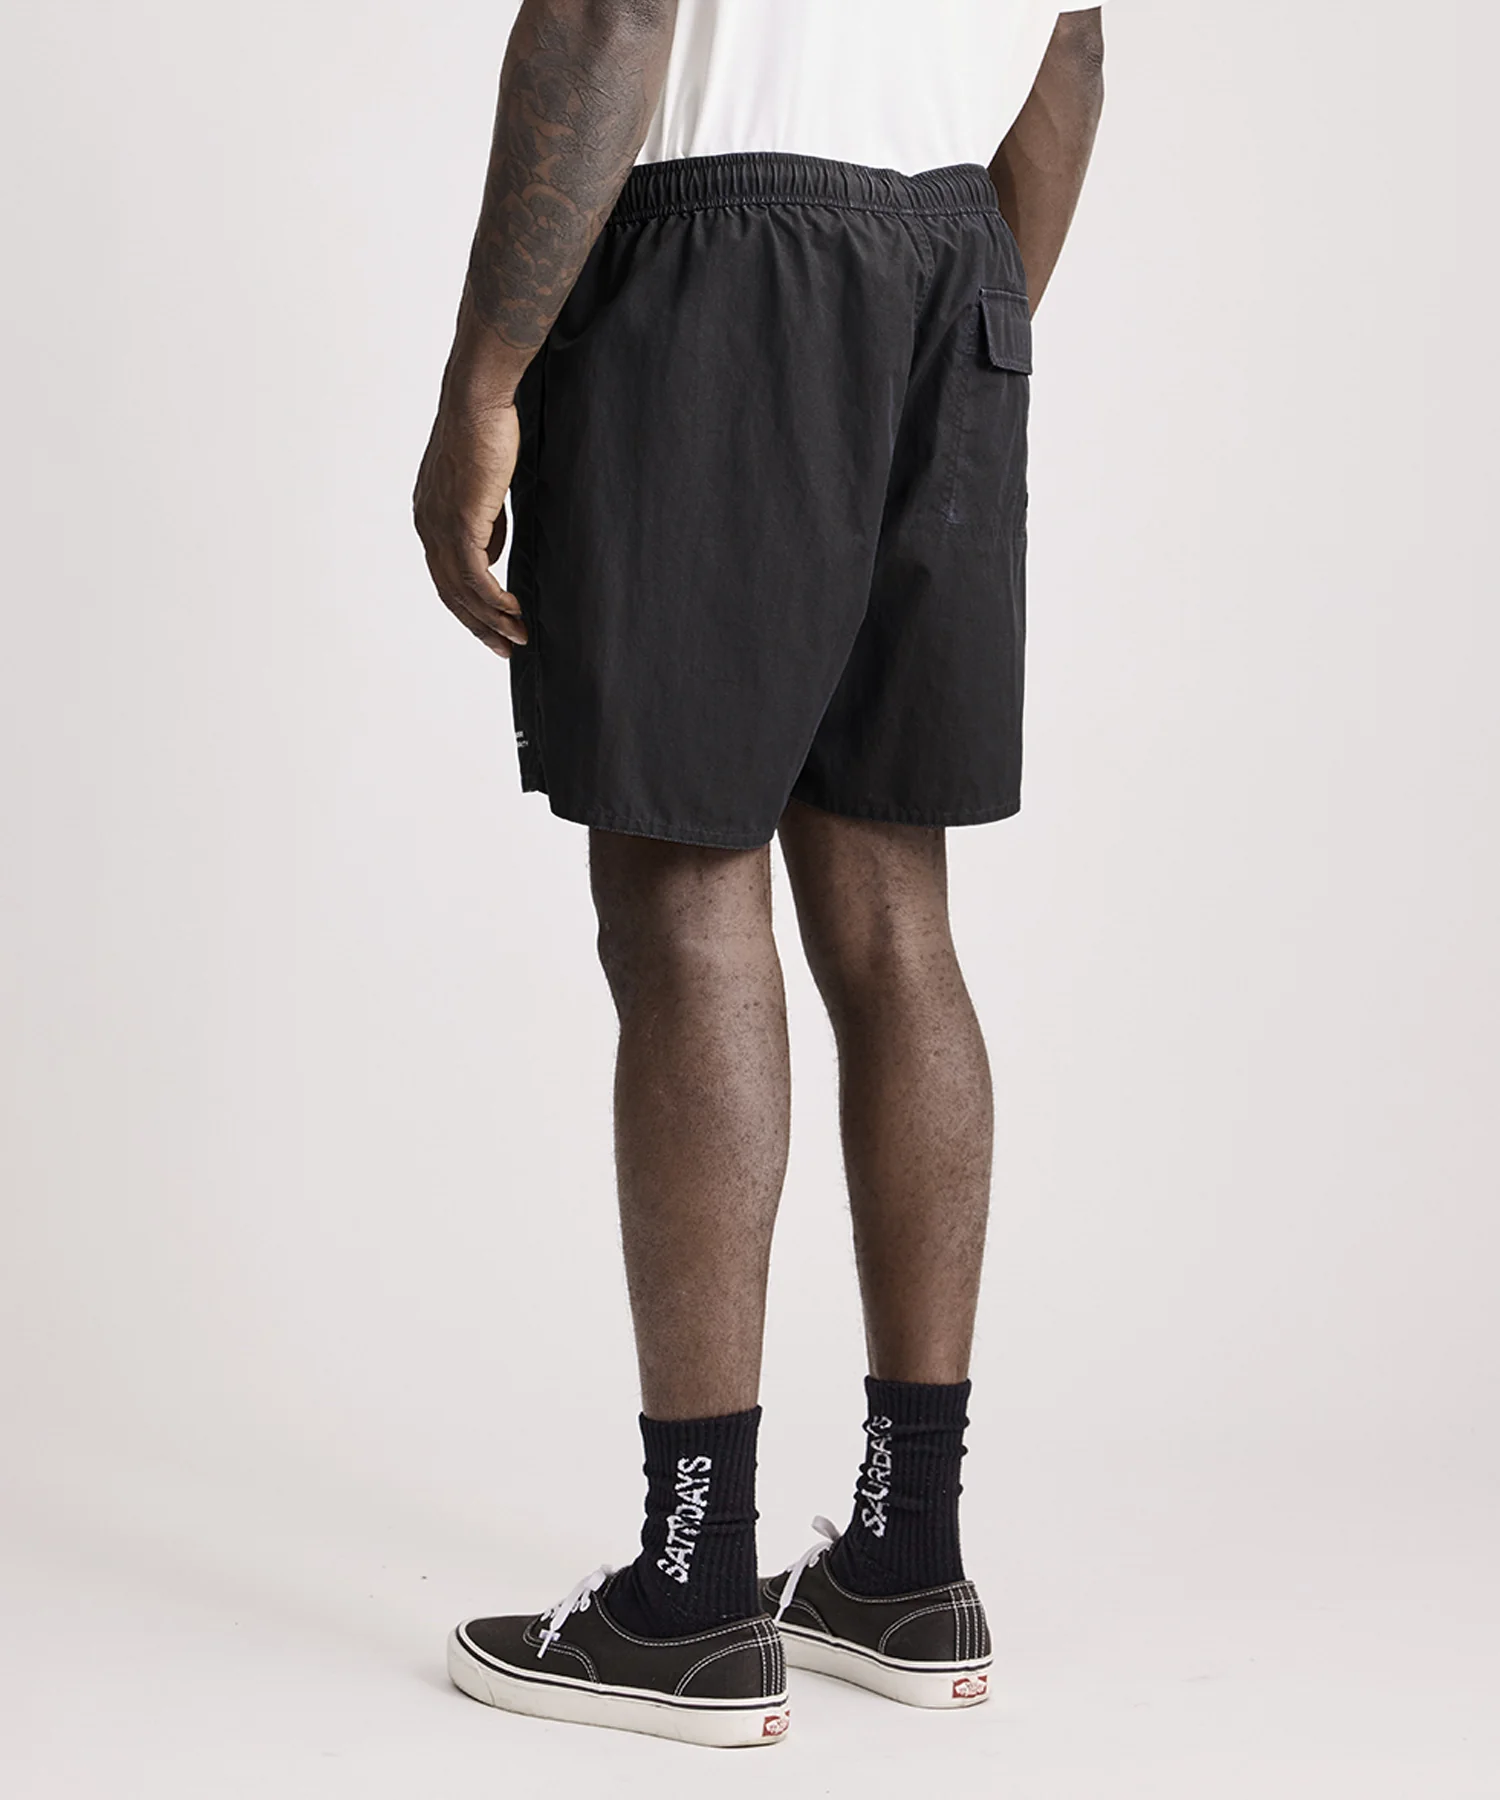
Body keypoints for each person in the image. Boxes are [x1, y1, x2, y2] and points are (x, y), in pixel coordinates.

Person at [413, 0, 1105, 1749]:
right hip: (952, 260)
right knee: (893, 911)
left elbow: (609, 11)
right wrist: (953, 325)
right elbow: (1074, 50)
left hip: (726, 257)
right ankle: (906, 1559)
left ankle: (694, 1590)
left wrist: (483, 380)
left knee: (684, 895)